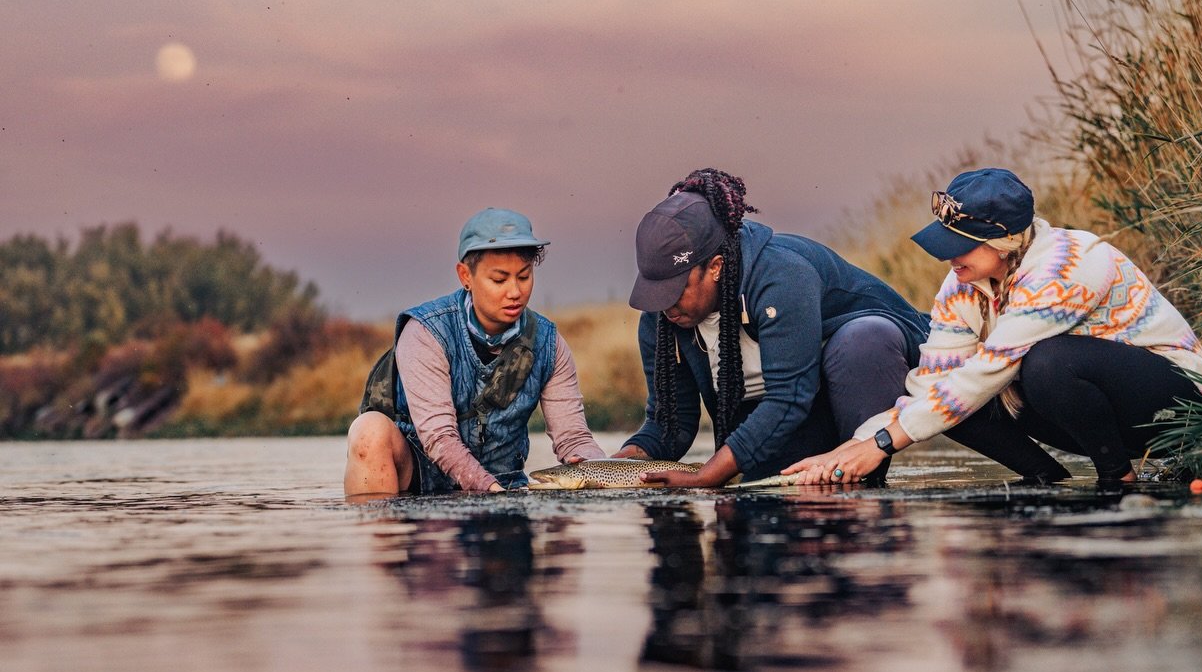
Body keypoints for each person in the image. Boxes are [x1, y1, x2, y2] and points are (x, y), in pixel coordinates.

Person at [784, 167, 1202, 486]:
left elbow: (991, 368)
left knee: (1046, 363)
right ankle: (1045, 477)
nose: (948, 258)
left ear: (1005, 240)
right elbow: (931, 385)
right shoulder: (963, 284)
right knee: (942, 403)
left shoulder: (1067, 264)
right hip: (1091, 411)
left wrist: (881, 445)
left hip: (1179, 405)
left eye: (961, 246)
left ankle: (1116, 481)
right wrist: (848, 450)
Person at [615, 167, 930, 486]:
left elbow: (790, 396)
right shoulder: (662, 316)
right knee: (760, 510)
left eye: (675, 289)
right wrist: (615, 465)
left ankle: (864, 485)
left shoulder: (783, 277)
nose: (664, 304)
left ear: (715, 267)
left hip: (863, 380)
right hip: (780, 416)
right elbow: (671, 424)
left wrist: (709, 474)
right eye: (655, 291)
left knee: (862, 341)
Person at [343, 208, 604, 500]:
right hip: (420, 480)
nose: (515, 291)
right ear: (465, 275)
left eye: (524, 276)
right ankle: (384, 535)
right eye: (499, 279)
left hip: (506, 486)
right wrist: (488, 489)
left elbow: (573, 439)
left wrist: (603, 472)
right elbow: (439, 438)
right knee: (369, 431)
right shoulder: (424, 333)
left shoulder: (550, 344)